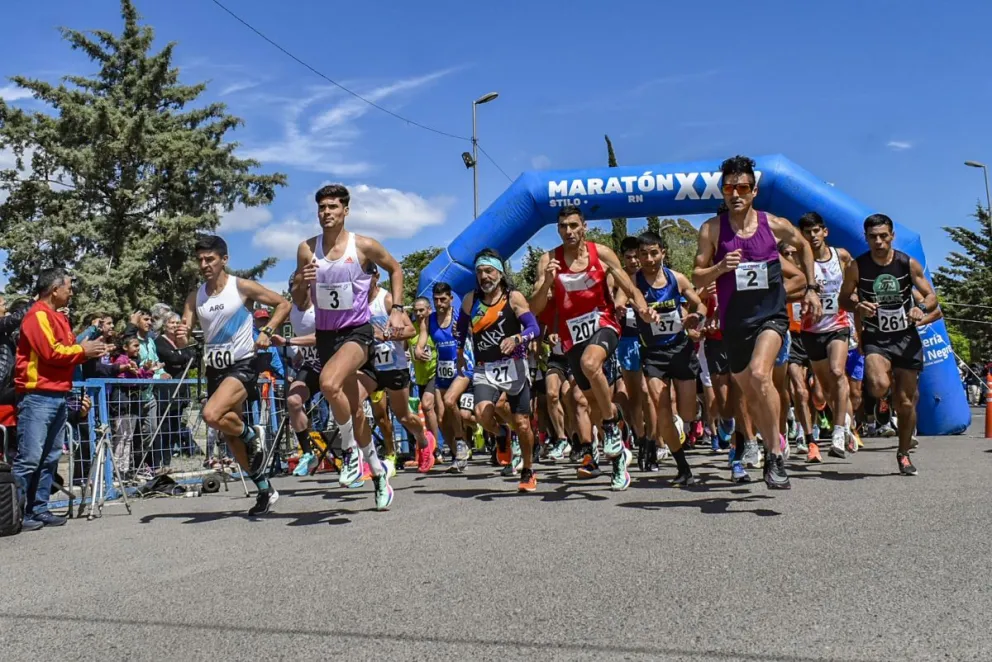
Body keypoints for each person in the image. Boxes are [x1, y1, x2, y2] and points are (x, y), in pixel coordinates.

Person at [692, 155, 821, 489]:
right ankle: (770, 441)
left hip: (771, 317)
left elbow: (804, 247)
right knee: (750, 392)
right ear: (722, 191)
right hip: (735, 321)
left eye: (743, 187)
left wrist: (812, 289)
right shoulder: (712, 229)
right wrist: (720, 268)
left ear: (754, 191)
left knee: (762, 375)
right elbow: (697, 273)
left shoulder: (773, 224)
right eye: (729, 187)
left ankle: (775, 454)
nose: (736, 193)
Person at [294, 184, 406, 511]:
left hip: (358, 332)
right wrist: (302, 279)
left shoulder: (364, 246)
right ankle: (379, 472)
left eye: (332, 207)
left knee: (328, 384)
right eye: (321, 208)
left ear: (346, 210)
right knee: (356, 412)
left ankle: (349, 453)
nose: (326, 213)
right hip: (326, 336)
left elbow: (396, 269)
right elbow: (300, 300)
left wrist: (397, 308)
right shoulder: (306, 249)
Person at [530, 205, 658, 491]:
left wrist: (643, 309)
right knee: (592, 405)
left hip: (604, 324)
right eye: (563, 226)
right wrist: (546, 284)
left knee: (591, 364)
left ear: (584, 226)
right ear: (558, 229)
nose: (569, 231)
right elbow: (534, 308)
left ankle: (613, 427)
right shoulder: (548, 260)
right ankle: (619, 457)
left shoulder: (600, 253)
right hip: (572, 336)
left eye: (574, 225)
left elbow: (629, 285)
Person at [179, 235, 290, 515]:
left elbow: (283, 304)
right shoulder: (195, 297)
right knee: (230, 437)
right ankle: (265, 489)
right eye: (200, 260)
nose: (204, 264)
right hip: (216, 369)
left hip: (243, 364)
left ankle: (253, 433)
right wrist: (180, 337)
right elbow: (183, 336)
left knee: (211, 415)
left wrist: (266, 331)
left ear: (224, 260)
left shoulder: (241, 287)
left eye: (210, 259)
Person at [840, 214, 937, 476]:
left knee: (906, 403)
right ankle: (885, 400)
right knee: (878, 385)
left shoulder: (907, 263)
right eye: (873, 237)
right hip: (877, 338)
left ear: (892, 235)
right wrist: (858, 304)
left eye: (883, 236)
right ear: (866, 238)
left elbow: (930, 297)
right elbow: (843, 300)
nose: (879, 241)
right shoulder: (857, 266)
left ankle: (903, 454)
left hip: (905, 338)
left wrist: (920, 308)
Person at [14, 268, 107, 531]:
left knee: (51, 456)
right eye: (68, 286)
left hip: (57, 394)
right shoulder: (37, 315)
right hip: (36, 396)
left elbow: (67, 350)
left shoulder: (58, 318)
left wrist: (88, 350)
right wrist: (82, 350)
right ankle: (13, 513)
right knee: (30, 457)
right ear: (55, 289)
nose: (72, 291)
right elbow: (51, 353)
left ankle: (39, 509)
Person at [457, 249, 541, 491]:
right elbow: (461, 329)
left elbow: (534, 328)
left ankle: (527, 469)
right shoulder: (470, 300)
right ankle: (502, 433)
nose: (484, 276)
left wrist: (518, 338)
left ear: (500, 273)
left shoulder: (513, 298)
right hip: (485, 367)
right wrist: (460, 353)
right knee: (482, 413)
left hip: (514, 367)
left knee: (522, 423)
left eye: (488, 271)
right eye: (480, 272)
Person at [632, 231, 706, 485]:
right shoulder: (635, 281)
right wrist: (625, 307)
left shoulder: (677, 278)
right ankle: (682, 467)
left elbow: (700, 305)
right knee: (661, 407)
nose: (649, 259)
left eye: (654, 253)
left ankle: (689, 419)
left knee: (687, 412)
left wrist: (697, 318)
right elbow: (623, 298)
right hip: (653, 354)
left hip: (680, 349)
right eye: (644, 254)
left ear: (663, 252)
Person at [365, 262, 434, 475]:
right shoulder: (356, 302)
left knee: (403, 416)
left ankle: (423, 440)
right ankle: (386, 456)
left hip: (394, 366)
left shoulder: (385, 300)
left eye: (366, 276)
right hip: (371, 367)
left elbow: (410, 330)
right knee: (377, 414)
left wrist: (387, 335)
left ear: (376, 276)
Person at [797, 212, 856, 459]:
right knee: (826, 390)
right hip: (812, 330)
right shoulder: (800, 263)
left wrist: (854, 297)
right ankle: (844, 419)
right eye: (807, 232)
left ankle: (839, 431)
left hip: (838, 325)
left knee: (837, 372)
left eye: (816, 231)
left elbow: (855, 281)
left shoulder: (840, 256)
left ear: (825, 232)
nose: (812, 236)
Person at [415, 282, 473, 467]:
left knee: (454, 405)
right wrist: (418, 349)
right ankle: (458, 455)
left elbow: (475, 333)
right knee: (441, 418)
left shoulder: (459, 316)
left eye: (443, 299)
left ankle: (464, 439)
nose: (439, 303)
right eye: (436, 300)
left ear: (451, 299)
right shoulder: (429, 320)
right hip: (442, 372)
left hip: (463, 369)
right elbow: (422, 339)